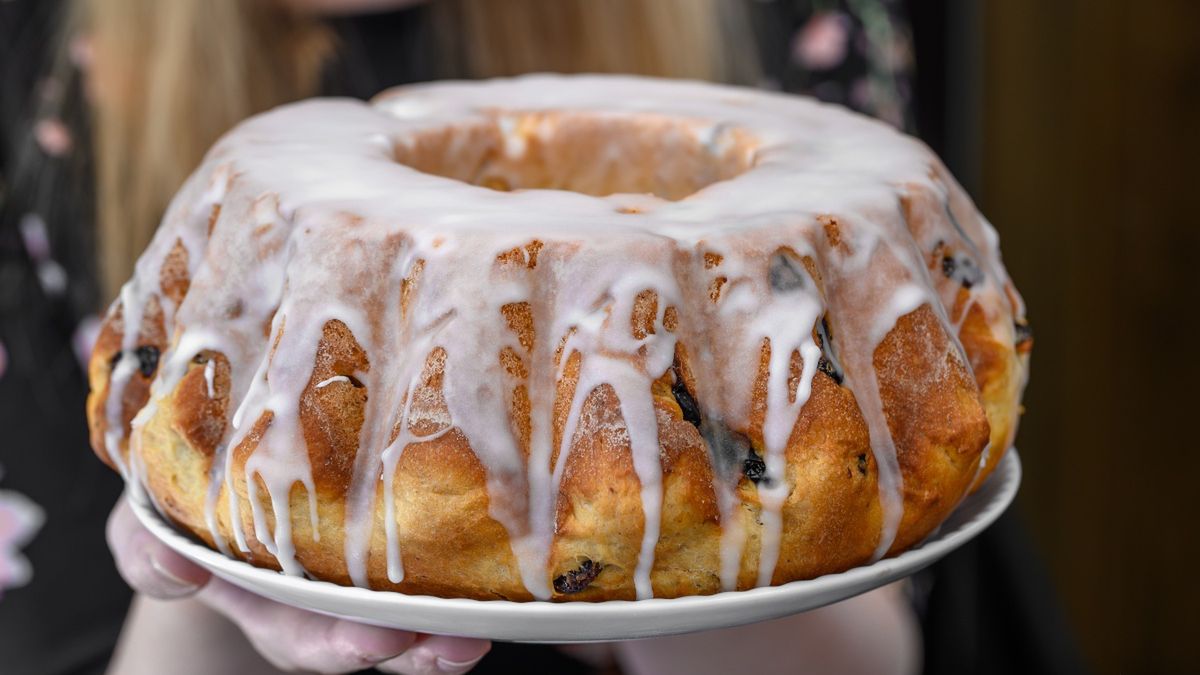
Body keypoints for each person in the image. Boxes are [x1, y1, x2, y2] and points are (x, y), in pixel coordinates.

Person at [1, 1, 1081, 673]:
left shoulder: (781, 28)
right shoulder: (32, 85)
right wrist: (214, 596)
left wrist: (698, 541)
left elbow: (875, 628)